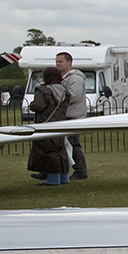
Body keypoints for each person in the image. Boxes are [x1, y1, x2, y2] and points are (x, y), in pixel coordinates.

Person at [28, 67, 70, 185]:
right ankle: (64, 177)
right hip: (61, 122)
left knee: (48, 150)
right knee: (60, 149)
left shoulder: (43, 90)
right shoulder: (64, 91)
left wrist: (32, 105)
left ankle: (53, 178)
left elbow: (38, 106)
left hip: (46, 123)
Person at [55, 51, 88, 179]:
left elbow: (74, 96)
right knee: (65, 144)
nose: (58, 64)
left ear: (69, 62)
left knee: (73, 144)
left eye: (61, 61)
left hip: (74, 117)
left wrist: (56, 97)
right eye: (57, 61)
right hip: (66, 116)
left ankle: (81, 171)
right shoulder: (64, 78)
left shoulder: (75, 78)